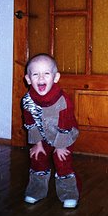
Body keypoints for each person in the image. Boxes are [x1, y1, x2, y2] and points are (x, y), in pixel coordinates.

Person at [21, 53, 81, 207]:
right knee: (37, 157)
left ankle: (69, 193)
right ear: (28, 79)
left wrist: (60, 146)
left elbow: (66, 126)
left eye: (46, 74)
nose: (41, 78)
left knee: (62, 160)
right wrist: (37, 143)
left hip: (63, 135)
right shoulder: (27, 101)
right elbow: (31, 124)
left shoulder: (63, 101)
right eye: (35, 74)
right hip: (42, 135)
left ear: (55, 77)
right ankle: (36, 190)